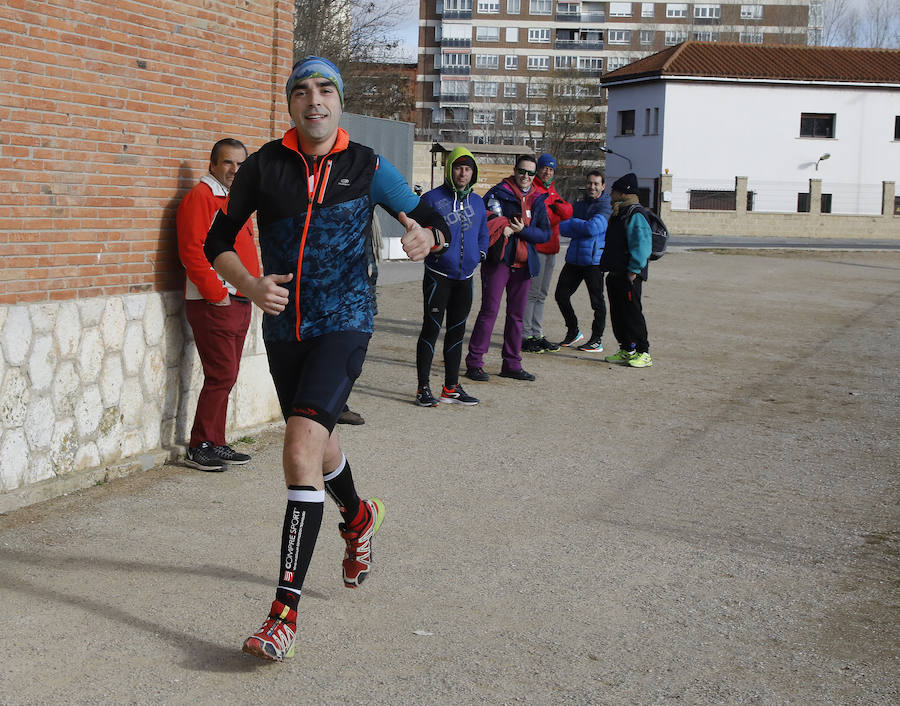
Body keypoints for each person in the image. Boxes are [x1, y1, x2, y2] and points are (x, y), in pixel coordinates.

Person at [203, 57, 450, 662]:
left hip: (345, 323)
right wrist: (252, 285)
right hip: (286, 327)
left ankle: (283, 613)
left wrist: (426, 236)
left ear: (340, 100)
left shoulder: (367, 165)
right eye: (302, 91)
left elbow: (431, 218)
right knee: (315, 441)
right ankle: (359, 515)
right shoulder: (263, 166)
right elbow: (217, 242)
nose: (314, 101)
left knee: (297, 445)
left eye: (326, 90)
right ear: (290, 103)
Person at [176, 138, 259, 473]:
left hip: (239, 299)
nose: (234, 170)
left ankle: (215, 441)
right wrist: (216, 293)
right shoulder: (201, 197)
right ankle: (201, 446)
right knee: (221, 373)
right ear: (212, 165)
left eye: (240, 164)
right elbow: (192, 251)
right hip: (216, 301)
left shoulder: (235, 199)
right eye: (227, 163)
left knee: (227, 375)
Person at [464, 154, 551, 382]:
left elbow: (545, 234)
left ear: (535, 175)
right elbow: (483, 220)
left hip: (524, 265)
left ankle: (512, 363)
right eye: (522, 171)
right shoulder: (497, 192)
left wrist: (522, 230)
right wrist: (503, 225)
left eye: (531, 173)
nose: (526, 176)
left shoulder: (539, 199)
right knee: (489, 312)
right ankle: (474, 363)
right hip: (499, 261)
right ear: (515, 170)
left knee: (517, 316)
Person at [415, 147, 489, 407]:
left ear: (473, 173)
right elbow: (416, 226)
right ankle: (423, 388)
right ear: (450, 169)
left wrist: (481, 252)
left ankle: (451, 387)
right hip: (438, 275)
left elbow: (483, 233)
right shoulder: (432, 199)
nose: (463, 173)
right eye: (458, 167)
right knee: (431, 329)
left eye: (468, 169)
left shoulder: (478, 202)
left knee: (457, 332)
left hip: (465, 277)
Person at [554, 170, 612, 352]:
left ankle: (596, 339)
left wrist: (575, 223)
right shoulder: (578, 205)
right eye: (589, 183)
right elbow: (562, 228)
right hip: (574, 259)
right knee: (560, 295)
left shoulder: (606, 205)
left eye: (596, 184)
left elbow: (593, 228)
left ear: (603, 186)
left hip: (594, 261)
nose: (592, 187)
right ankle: (573, 331)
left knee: (597, 302)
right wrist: (582, 225)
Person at [599, 173, 653, 368]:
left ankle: (643, 351)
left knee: (632, 312)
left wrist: (634, 270)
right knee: (618, 313)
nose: (611, 192)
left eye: (614, 189)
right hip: (615, 272)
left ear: (623, 192)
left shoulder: (635, 213)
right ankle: (626, 348)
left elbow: (642, 245)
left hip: (629, 274)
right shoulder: (619, 211)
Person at [522, 153, 572, 354]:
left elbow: (567, 212)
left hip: (551, 249)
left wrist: (558, 209)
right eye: (544, 168)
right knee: (532, 294)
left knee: (541, 295)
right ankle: (526, 335)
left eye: (551, 169)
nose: (547, 172)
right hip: (538, 249)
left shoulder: (552, 191)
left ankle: (537, 332)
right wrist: (557, 211)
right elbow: (546, 219)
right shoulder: (535, 191)